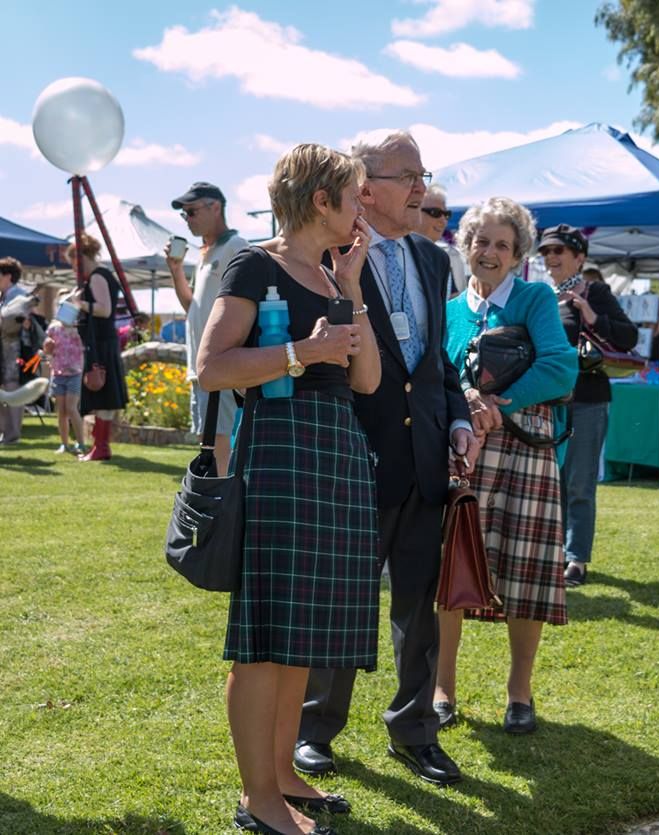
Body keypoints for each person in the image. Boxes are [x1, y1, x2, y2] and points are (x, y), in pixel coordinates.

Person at [197, 143, 380, 835]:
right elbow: (212, 368)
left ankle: (279, 773)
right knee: (266, 634)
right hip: (278, 453)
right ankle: (257, 798)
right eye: (354, 194)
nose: (362, 206)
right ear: (321, 200)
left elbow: (366, 382)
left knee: (300, 631)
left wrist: (354, 289)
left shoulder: (335, 278)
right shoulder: (254, 264)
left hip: (333, 452)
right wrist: (303, 351)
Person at [295, 132, 478, 787]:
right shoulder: (326, 257)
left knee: (420, 609)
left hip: (427, 459)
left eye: (423, 173)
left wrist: (457, 418)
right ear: (364, 186)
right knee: (344, 601)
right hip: (357, 461)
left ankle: (414, 730)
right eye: (409, 175)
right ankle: (314, 729)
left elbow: (435, 364)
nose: (422, 186)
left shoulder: (435, 260)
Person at [435, 198, 579, 734]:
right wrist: (468, 404)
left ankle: (520, 691)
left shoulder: (535, 297)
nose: (489, 252)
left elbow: (561, 370)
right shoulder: (449, 310)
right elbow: (437, 378)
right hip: (461, 451)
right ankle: (442, 687)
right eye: (480, 241)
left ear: (518, 254)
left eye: (502, 244)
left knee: (526, 570)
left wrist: (500, 404)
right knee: (450, 568)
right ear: (465, 246)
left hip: (524, 448)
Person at [539, 224, 638, 588]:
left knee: (579, 483)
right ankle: (553, 551)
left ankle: (576, 559)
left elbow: (629, 337)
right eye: (546, 251)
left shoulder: (594, 291)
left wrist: (591, 315)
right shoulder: (541, 295)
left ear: (579, 258)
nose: (551, 258)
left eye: (559, 251)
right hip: (549, 402)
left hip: (588, 401)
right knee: (551, 482)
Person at [166, 181, 248, 475]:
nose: (188, 219)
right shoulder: (208, 252)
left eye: (191, 211)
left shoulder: (236, 247)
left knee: (218, 441)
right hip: (204, 366)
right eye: (184, 214)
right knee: (209, 440)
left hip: (220, 362)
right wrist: (176, 271)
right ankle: (217, 502)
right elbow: (194, 309)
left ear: (216, 207)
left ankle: (221, 506)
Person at [67, 234, 128, 461]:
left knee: (102, 393)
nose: (74, 266)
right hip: (103, 340)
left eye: (74, 260)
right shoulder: (101, 275)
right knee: (104, 394)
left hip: (101, 342)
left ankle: (100, 447)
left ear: (81, 256)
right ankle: (101, 446)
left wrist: (78, 303)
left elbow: (104, 309)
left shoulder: (97, 276)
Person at [43, 293, 86, 454]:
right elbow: (47, 350)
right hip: (58, 372)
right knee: (61, 410)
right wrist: (48, 347)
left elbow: (83, 349)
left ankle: (81, 443)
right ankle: (64, 444)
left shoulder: (79, 329)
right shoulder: (53, 329)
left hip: (74, 372)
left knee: (71, 408)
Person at [419, 185, 467, 298]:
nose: (443, 221)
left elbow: (452, 300)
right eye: (435, 213)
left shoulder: (440, 258)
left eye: (446, 214)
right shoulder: (394, 253)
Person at [0, 257, 29, 444]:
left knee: (12, 389)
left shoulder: (18, 295)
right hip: (4, 349)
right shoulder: (4, 296)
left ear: (8, 276)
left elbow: (20, 321)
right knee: (4, 390)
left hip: (14, 350)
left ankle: (13, 434)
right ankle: (6, 433)